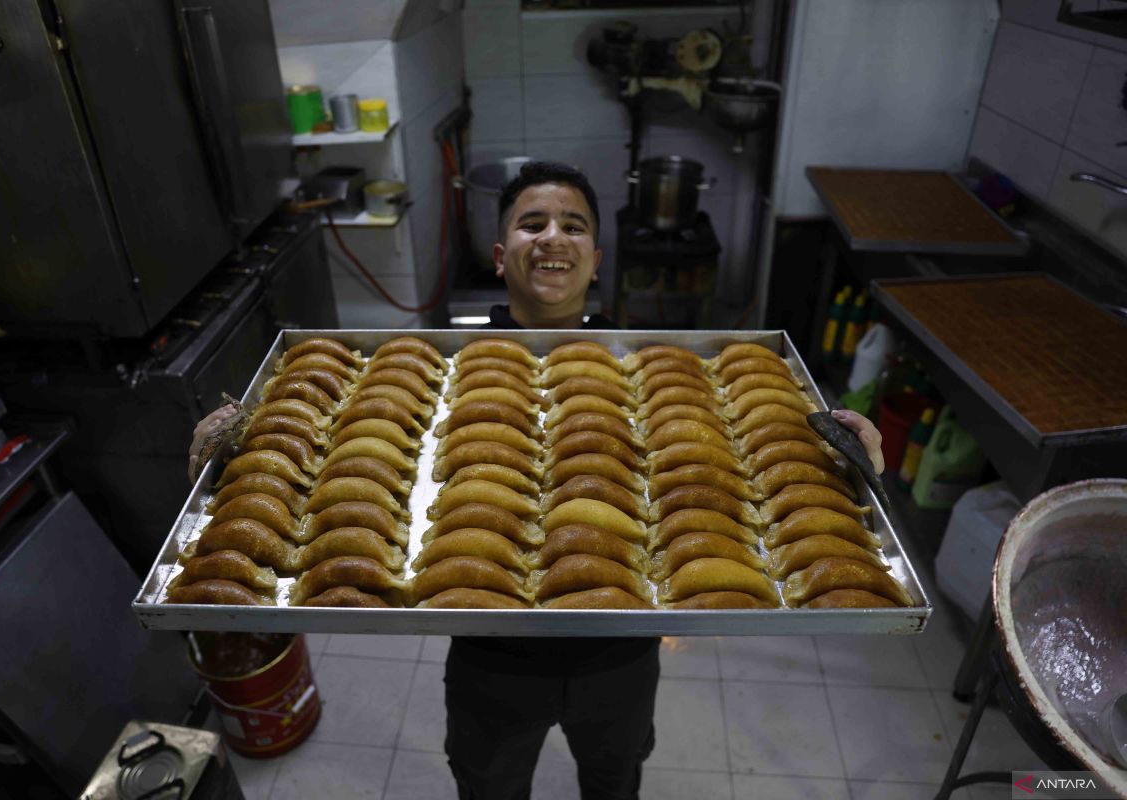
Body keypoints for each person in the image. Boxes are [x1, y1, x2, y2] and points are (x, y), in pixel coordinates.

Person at [188, 161, 885, 800]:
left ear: (595, 259)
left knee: (614, 776)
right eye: (532, 224)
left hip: (620, 656)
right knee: (488, 781)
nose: (553, 237)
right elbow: (329, 449)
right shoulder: (452, 372)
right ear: (501, 255)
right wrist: (228, 456)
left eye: (573, 226)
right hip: (494, 655)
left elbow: (728, 467)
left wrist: (845, 455)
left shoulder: (647, 366)